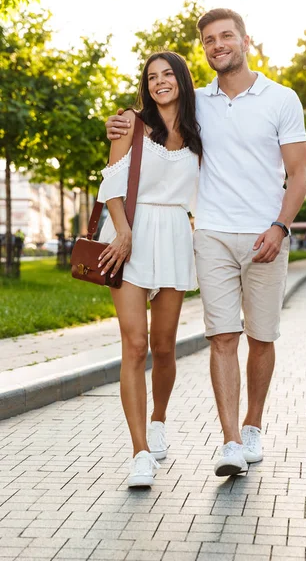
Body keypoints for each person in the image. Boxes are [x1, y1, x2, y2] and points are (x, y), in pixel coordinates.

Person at [106, 8, 306, 478]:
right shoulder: (195, 103)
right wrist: (120, 126)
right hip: (204, 235)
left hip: (251, 235)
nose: (219, 45)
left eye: (226, 36)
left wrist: (280, 226)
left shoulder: (275, 99)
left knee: (255, 338)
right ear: (203, 49)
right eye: (210, 40)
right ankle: (224, 443)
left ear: (244, 39)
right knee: (213, 338)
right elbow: (133, 143)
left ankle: (249, 425)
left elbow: (298, 173)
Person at [98, 51, 201, 487]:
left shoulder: (200, 133)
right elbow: (111, 183)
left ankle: (159, 420)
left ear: (181, 79)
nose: (160, 82)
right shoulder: (131, 123)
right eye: (152, 76)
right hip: (130, 234)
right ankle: (140, 452)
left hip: (175, 234)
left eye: (168, 74)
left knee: (163, 347)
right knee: (135, 345)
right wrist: (122, 232)